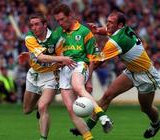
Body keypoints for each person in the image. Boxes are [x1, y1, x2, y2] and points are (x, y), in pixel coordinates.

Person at [70, 11, 160, 139]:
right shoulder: (123, 29)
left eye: (111, 23)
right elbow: (108, 31)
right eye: (107, 22)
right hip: (131, 71)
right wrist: (98, 30)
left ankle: (156, 124)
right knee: (107, 96)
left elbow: (97, 63)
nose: (107, 25)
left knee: (146, 108)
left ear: (120, 25)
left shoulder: (115, 42)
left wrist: (85, 76)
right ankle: (85, 129)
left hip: (146, 76)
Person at [51, 3, 113, 140]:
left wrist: (89, 80)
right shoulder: (58, 33)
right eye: (57, 21)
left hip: (79, 65)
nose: (60, 23)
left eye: (62, 19)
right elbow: (48, 48)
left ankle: (103, 117)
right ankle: (88, 138)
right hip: (63, 70)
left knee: (78, 87)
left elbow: (92, 59)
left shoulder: (85, 32)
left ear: (70, 16)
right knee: (71, 109)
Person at [21, 12, 75, 140]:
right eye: (32, 25)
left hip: (51, 76)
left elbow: (63, 60)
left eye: (37, 24)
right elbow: (41, 57)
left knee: (43, 106)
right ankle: (40, 105)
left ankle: (43, 138)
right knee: (27, 110)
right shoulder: (29, 37)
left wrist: (61, 61)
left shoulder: (56, 38)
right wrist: (61, 58)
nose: (34, 28)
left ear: (45, 25)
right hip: (33, 74)